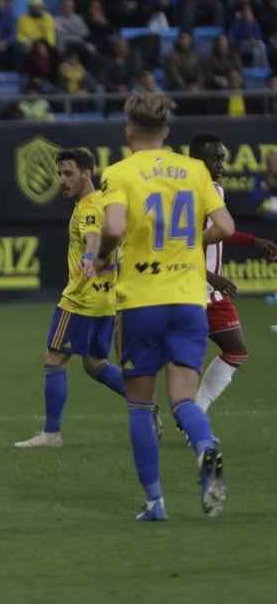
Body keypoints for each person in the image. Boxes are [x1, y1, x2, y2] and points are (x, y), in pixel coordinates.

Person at [98, 92, 234, 521]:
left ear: (128, 130)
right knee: (183, 399)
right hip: (189, 300)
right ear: (167, 132)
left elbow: (115, 225)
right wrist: (193, 242)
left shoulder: (119, 172)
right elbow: (226, 226)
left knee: (140, 403)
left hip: (142, 301)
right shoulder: (194, 170)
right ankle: (206, 447)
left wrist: (101, 255)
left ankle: (156, 502)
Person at [15, 149, 162, 448]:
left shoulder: (88, 206)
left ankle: (52, 434)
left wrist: (90, 257)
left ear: (86, 173)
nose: (61, 180)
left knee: (54, 359)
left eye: (68, 173)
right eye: (58, 173)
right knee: (95, 364)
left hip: (80, 298)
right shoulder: (107, 201)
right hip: (107, 300)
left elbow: (93, 236)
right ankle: (144, 402)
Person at [188, 134, 277, 412]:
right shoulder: (189, 194)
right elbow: (180, 244)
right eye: (214, 158)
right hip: (189, 289)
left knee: (236, 351)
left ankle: (195, 412)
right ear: (196, 160)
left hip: (212, 293)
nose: (221, 164)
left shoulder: (214, 189)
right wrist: (208, 274)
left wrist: (254, 241)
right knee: (186, 363)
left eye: (222, 158)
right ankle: (167, 410)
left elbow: (220, 231)